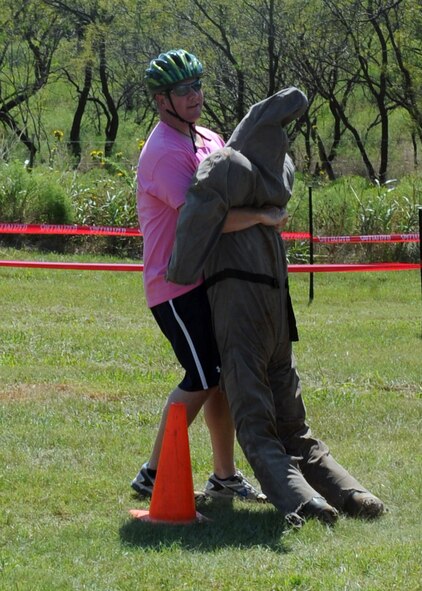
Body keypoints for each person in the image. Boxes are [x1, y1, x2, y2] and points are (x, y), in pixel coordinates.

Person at [168, 87, 385, 526]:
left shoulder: (224, 170)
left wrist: (179, 270)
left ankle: (304, 502)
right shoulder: (277, 178)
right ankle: (352, 493)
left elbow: (187, 246)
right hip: (278, 307)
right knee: (294, 420)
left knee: (255, 418)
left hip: (239, 307)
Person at [132, 49, 285, 501]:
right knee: (201, 375)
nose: (195, 95)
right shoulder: (161, 152)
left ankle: (225, 477)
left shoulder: (209, 138)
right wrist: (261, 216)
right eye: (184, 90)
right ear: (162, 100)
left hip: (209, 279)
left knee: (219, 375)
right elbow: (205, 220)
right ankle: (152, 474)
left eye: (198, 85)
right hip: (173, 285)